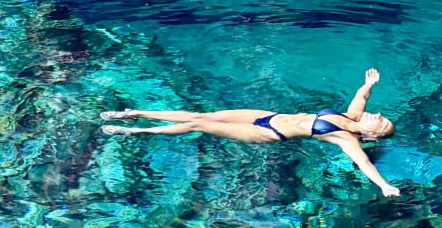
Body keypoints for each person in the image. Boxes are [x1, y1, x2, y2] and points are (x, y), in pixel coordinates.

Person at [101, 68, 400, 197]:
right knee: (199, 114)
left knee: (196, 126)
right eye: (384, 117)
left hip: (269, 134)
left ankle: (137, 130)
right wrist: (369, 84)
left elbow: (365, 165)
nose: (379, 116)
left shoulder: (346, 138)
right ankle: (133, 112)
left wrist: (384, 186)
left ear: (371, 136)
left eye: (382, 123)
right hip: (268, 116)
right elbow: (362, 97)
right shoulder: (353, 116)